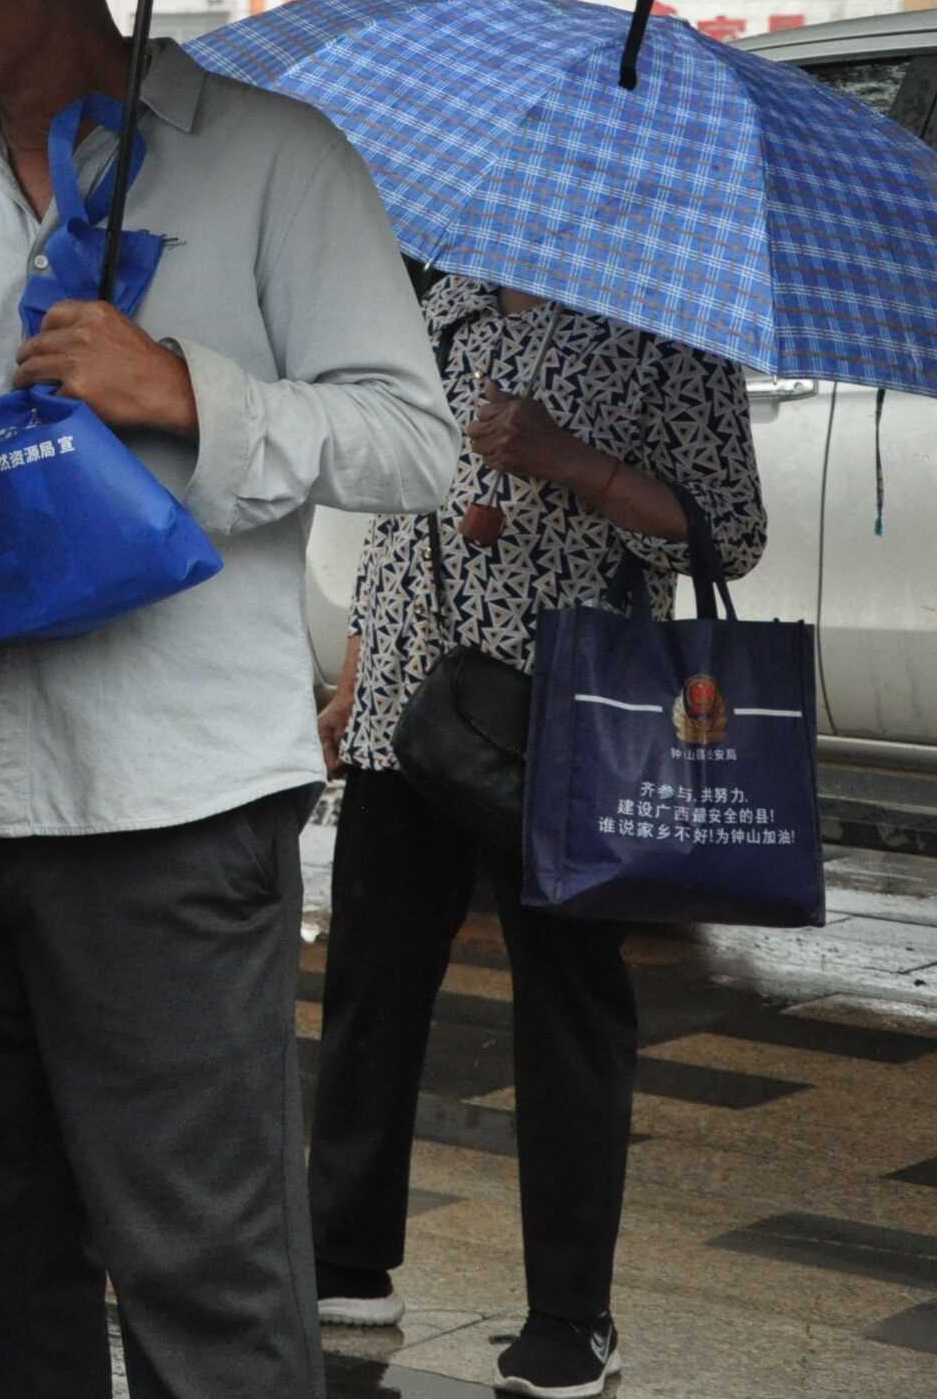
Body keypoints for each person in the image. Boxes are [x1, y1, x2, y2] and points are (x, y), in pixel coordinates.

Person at [0, 0, 456, 1398]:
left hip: (172, 806)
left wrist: (187, 388)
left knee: (201, 1256)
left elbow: (414, 440)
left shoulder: (271, 157)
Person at [312, 280, 763, 1399]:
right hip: (407, 708)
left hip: (567, 722)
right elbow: (401, 511)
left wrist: (572, 462)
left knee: (568, 1009)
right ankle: (344, 1258)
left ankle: (572, 1316)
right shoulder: (445, 305)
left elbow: (730, 533)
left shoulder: (668, 327)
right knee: (372, 990)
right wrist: (352, 688)